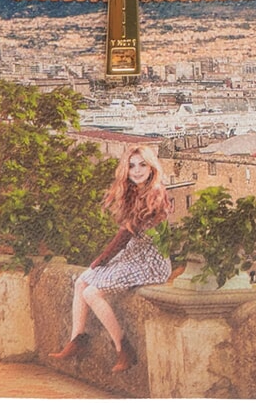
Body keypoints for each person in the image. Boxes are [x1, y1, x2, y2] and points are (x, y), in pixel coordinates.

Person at [51, 145, 173, 373]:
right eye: (132, 166)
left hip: (150, 261)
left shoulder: (155, 193)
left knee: (91, 292)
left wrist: (101, 260)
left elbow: (125, 236)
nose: (137, 171)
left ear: (151, 168)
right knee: (81, 282)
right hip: (133, 255)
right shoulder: (132, 191)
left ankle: (123, 348)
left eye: (142, 165)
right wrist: (101, 262)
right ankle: (77, 340)